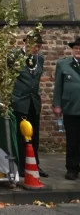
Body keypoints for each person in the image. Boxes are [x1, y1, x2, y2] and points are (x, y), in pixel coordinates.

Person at [13, 32, 46, 177]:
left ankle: (35, 164)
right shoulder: (15, 56)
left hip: (34, 102)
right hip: (20, 101)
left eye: (38, 46)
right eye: (33, 45)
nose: (36, 48)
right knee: (21, 135)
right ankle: (21, 166)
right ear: (26, 43)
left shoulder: (40, 59)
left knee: (34, 136)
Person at [54, 37, 80, 180]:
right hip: (71, 108)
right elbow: (58, 86)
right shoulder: (64, 64)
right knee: (73, 140)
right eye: (76, 48)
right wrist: (57, 104)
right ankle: (72, 168)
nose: (78, 50)